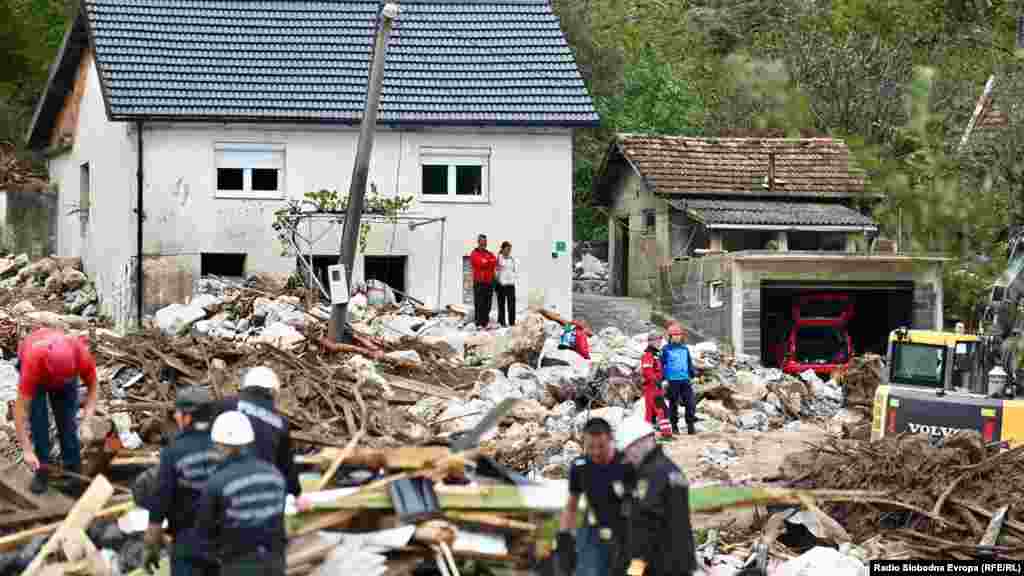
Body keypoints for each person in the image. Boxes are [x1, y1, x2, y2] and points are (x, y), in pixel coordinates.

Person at [195, 411, 287, 576]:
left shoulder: (217, 482)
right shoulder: (275, 475)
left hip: (239, 565)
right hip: (275, 563)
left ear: (219, 444)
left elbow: (205, 534)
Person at [143, 387, 220, 576]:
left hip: (188, 544)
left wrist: (151, 545)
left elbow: (161, 498)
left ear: (188, 417)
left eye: (178, 412)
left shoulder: (174, 452)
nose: (176, 417)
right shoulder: (226, 448)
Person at [12, 327, 98, 494]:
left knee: (67, 421)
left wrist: (87, 422)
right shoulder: (33, 362)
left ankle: (73, 472)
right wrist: (27, 450)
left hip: (65, 377)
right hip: (38, 375)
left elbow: (94, 387)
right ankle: (43, 471)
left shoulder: (79, 353)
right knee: (39, 423)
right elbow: (20, 410)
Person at [614, 417, 698, 576]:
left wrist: (637, 562)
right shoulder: (670, 469)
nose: (628, 457)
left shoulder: (652, 474)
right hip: (679, 562)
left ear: (640, 443)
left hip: (660, 564)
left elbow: (646, 521)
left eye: (628, 451)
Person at [557, 418, 630, 576]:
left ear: (611, 440)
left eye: (601, 447)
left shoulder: (626, 464)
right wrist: (564, 537)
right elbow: (571, 506)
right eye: (590, 447)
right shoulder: (580, 467)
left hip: (626, 532)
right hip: (594, 531)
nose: (596, 452)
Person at [214, 366, 300, 497]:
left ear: (246, 385)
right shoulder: (281, 423)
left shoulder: (226, 405)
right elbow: (286, 467)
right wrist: (295, 493)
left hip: (223, 484)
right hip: (261, 490)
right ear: (273, 392)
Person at [660, 323, 696, 436]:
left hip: (685, 380)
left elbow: (689, 362)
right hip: (672, 381)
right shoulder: (665, 350)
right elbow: (661, 365)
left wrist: (692, 373)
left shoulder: (685, 349)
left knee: (690, 403)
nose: (677, 337)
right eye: (674, 335)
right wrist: (663, 378)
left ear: (681, 336)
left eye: (678, 335)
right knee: (673, 404)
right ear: (670, 336)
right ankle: (674, 426)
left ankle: (690, 426)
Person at [639, 332, 672, 439]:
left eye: (660, 341)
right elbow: (647, 372)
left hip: (653, 388)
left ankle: (646, 436)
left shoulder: (655, 354)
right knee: (662, 409)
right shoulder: (648, 355)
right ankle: (666, 435)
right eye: (656, 341)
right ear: (650, 342)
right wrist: (657, 382)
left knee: (650, 413)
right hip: (653, 388)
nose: (659, 343)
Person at [469, 233, 498, 328]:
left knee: (487, 304)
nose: (483, 243)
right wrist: (487, 262)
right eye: (482, 241)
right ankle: (479, 324)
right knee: (479, 303)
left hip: (489, 282)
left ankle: (485, 323)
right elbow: (480, 263)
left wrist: (487, 262)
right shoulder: (474, 253)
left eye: (485, 242)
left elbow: (494, 262)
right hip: (479, 282)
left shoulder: (489, 254)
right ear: (478, 242)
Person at [496, 241, 519, 327]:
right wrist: (498, 280)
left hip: (510, 284)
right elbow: (496, 271)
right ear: (502, 249)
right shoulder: (499, 258)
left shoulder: (511, 259)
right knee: (501, 304)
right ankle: (502, 322)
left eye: (510, 249)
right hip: (501, 284)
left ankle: (512, 322)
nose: (509, 251)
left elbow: (513, 270)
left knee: (512, 304)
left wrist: (514, 278)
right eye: (507, 249)